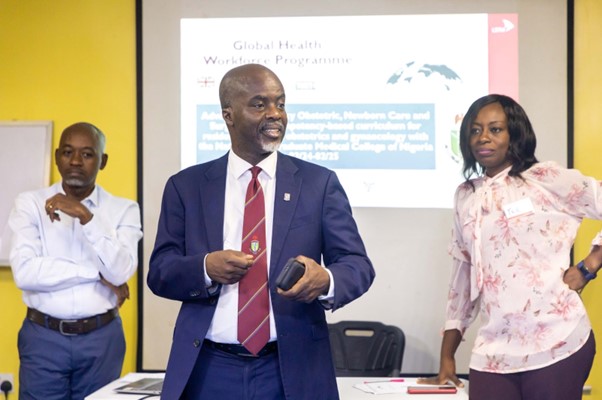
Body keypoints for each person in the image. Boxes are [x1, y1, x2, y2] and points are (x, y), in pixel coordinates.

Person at [147, 63, 375, 399]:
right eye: (259, 104)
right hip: (209, 368)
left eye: (280, 104)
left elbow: (357, 265)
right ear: (228, 115)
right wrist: (205, 267)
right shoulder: (187, 187)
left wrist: (325, 280)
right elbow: (160, 271)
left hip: (291, 368)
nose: (275, 114)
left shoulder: (318, 184)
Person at [419, 94, 602, 399]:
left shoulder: (545, 178)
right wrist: (448, 356)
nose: (483, 138)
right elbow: (462, 276)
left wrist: (589, 265)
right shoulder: (466, 195)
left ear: (515, 134)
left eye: (495, 129)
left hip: (556, 341)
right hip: (493, 349)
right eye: (475, 130)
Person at [8, 122, 143, 400]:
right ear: (57, 156)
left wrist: (86, 216)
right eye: (68, 152)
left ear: (102, 161)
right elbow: (25, 273)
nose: (75, 161)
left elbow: (119, 272)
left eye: (87, 154)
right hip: (43, 337)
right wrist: (96, 274)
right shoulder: (30, 204)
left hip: (101, 339)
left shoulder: (124, 209)